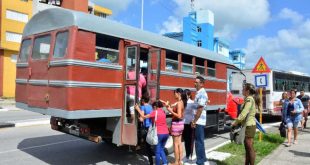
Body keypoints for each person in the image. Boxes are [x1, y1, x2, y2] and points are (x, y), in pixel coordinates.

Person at [232, 83, 259, 165]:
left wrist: (235, 122)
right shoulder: (248, 98)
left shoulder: (249, 99)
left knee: (249, 147)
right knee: (247, 148)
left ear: (247, 91)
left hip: (249, 126)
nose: (242, 90)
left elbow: (244, 113)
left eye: (243, 89)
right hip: (248, 125)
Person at [135, 101, 169, 165]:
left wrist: (137, 109)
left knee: (157, 152)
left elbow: (144, 116)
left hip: (159, 133)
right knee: (161, 149)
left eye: (153, 107)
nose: (152, 109)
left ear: (155, 107)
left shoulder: (155, 112)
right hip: (166, 133)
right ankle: (165, 163)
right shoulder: (163, 112)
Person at [164, 88, 187, 165]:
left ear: (178, 94)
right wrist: (169, 107)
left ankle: (176, 162)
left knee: (175, 144)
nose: (174, 95)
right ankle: (180, 161)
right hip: (180, 124)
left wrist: (170, 111)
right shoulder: (181, 102)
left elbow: (179, 115)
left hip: (176, 124)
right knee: (179, 143)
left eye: (175, 93)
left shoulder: (179, 103)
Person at [191, 76, 208, 165]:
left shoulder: (202, 93)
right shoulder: (199, 93)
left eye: (196, 82)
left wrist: (194, 121)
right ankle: (203, 158)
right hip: (198, 120)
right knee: (200, 140)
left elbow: (200, 109)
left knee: (198, 141)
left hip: (199, 121)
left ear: (201, 84)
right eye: (194, 82)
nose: (195, 83)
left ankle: (200, 161)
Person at [138, 97, 153, 165]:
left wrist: (138, 117)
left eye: (141, 100)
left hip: (145, 127)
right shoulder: (150, 106)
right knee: (148, 144)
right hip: (151, 126)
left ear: (143, 101)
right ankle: (151, 161)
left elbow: (141, 118)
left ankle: (150, 161)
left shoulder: (142, 107)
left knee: (147, 145)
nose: (141, 101)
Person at [182, 89, 195, 163]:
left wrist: (193, 122)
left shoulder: (191, 103)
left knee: (190, 140)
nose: (184, 95)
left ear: (189, 95)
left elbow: (194, 113)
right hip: (184, 123)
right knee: (186, 140)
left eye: (185, 94)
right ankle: (187, 155)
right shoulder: (183, 102)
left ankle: (189, 155)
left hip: (190, 123)